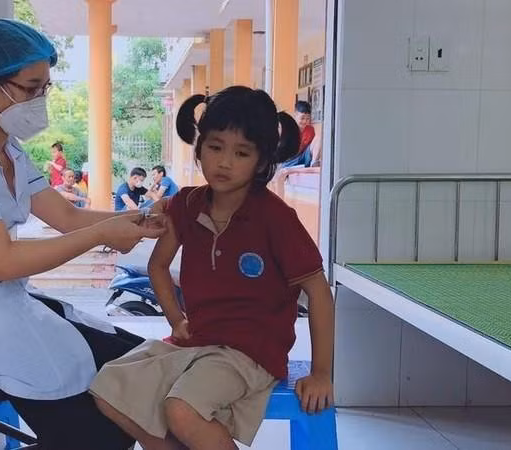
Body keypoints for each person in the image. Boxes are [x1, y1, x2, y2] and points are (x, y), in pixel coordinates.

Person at [0, 19, 167, 450]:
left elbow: (65, 215)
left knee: (136, 364)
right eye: (30, 88)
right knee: (99, 427)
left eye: (45, 88)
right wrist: (104, 233)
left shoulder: (8, 150)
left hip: (6, 303)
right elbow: (3, 261)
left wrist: (141, 218)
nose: (39, 100)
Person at [90, 86, 335, 450]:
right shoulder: (187, 205)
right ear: (200, 146)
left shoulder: (276, 218)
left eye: (242, 153)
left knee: (182, 409)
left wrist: (321, 373)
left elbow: (318, 292)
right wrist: (176, 320)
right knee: (108, 388)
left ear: (261, 160)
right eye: (215, 147)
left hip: (251, 351)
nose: (224, 162)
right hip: (198, 340)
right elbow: (158, 266)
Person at [282, 100, 315, 168]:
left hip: (303, 157)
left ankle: (314, 163)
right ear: (295, 115)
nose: (305, 121)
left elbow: (312, 147)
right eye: (302, 118)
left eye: (307, 118)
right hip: (289, 160)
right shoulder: (288, 129)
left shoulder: (310, 130)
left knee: (318, 138)